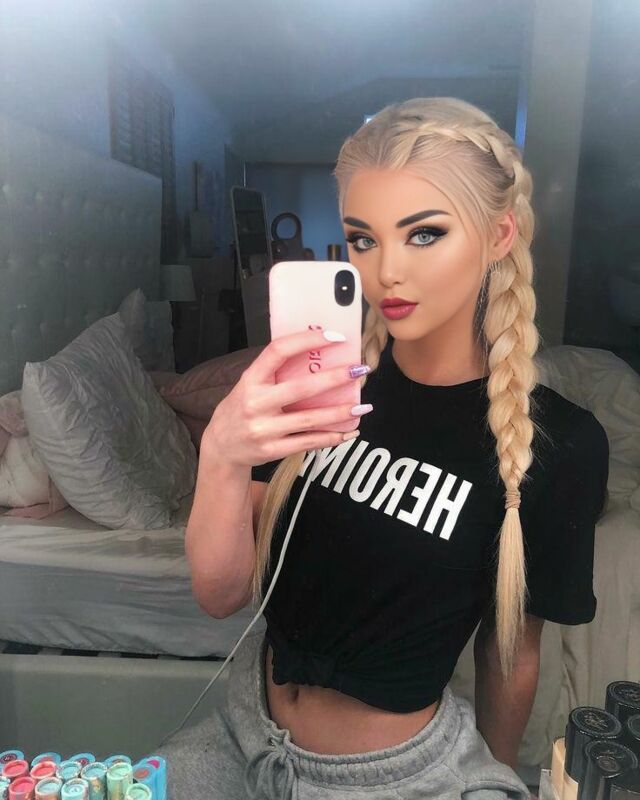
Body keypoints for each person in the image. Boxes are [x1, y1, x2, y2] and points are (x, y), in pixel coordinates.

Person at [156, 97, 609, 799]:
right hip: (243, 739)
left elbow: (510, 655)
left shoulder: (558, 444)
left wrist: (494, 773)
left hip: (399, 778)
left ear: (499, 235)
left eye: (424, 234)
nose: (386, 270)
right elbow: (220, 595)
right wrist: (220, 453)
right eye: (363, 239)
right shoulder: (319, 387)